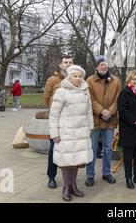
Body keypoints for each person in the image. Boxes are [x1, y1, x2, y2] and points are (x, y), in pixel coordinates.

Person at [48, 65, 93, 202]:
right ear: (69, 76)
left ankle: (73, 186)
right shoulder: (61, 91)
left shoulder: (85, 90)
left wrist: (90, 127)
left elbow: (89, 110)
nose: (78, 79)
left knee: (76, 161)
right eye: (75, 76)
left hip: (81, 131)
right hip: (66, 132)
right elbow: (54, 114)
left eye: (80, 76)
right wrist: (54, 133)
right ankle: (66, 187)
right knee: (66, 162)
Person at [85, 55, 121, 187]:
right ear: (97, 67)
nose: (104, 66)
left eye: (106, 64)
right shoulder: (89, 81)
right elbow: (89, 98)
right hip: (94, 120)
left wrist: (110, 111)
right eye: (101, 64)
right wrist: (101, 111)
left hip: (110, 120)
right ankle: (90, 175)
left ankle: (107, 173)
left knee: (107, 149)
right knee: (92, 148)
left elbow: (118, 98)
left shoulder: (116, 81)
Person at [44, 55, 73, 189]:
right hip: (57, 120)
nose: (68, 64)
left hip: (71, 121)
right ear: (60, 65)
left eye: (70, 62)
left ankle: (69, 180)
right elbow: (47, 98)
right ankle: (51, 177)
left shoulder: (76, 79)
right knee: (53, 149)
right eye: (65, 62)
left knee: (69, 151)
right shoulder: (52, 80)